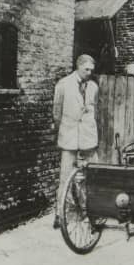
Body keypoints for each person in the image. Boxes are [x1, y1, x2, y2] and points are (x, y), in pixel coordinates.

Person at [52, 54, 99, 228]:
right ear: (78, 66)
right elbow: (56, 113)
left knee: (90, 176)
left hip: (88, 138)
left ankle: (89, 212)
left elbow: (94, 110)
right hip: (69, 137)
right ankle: (60, 214)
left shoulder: (93, 87)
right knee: (65, 176)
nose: (89, 73)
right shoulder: (63, 85)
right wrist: (62, 132)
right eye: (86, 69)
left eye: (91, 70)